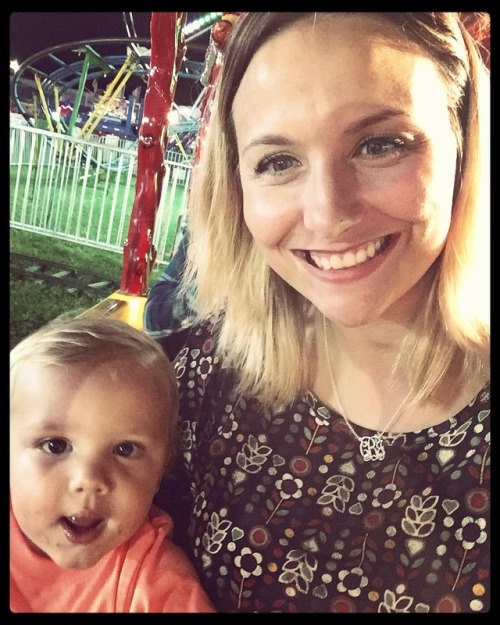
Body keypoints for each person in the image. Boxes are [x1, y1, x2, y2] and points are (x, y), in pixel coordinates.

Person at [144, 12, 490, 613]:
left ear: (465, 146)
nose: (328, 213)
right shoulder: (187, 387)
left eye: (380, 144)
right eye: (278, 161)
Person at [9, 314, 215, 613]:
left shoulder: (157, 586)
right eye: (55, 446)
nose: (89, 479)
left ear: (161, 470)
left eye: (125, 449)